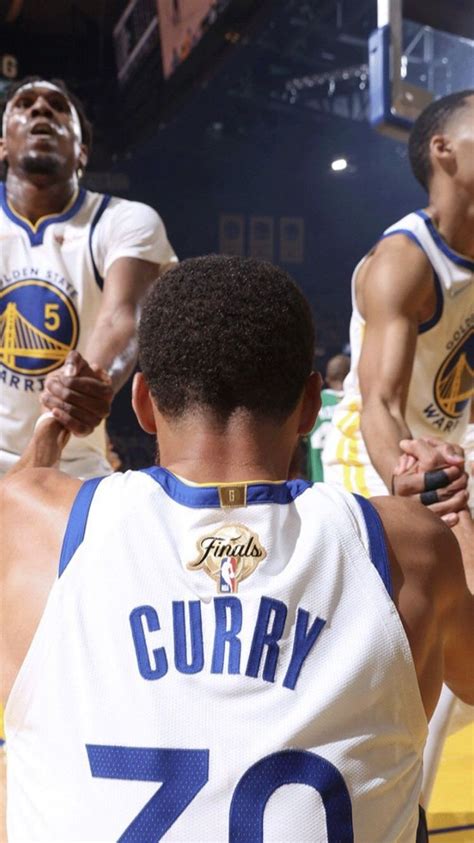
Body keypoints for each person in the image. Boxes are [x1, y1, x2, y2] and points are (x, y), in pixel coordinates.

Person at [1, 255, 473, 842]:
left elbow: (17, 493)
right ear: (308, 406)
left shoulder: (32, 525)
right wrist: (445, 515)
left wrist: (53, 425)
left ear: (143, 403)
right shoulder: (408, 548)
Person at [322, 90, 474, 806]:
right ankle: (386, 799)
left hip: (451, 442)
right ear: (443, 150)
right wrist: (411, 479)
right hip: (375, 450)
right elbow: (380, 401)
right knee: (434, 627)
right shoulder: (405, 260)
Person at [0, 76, 177, 478]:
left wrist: (88, 386)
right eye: (24, 104)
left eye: (57, 107)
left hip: (72, 462)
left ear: (82, 152)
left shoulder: (125, 219)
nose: (40, 110)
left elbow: (122, 317)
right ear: (3, 147)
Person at [307, 353, 350, 482]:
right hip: (352, 486)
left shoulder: (315, 401)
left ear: (327, 379)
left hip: (319, 484)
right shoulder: (357, 403)